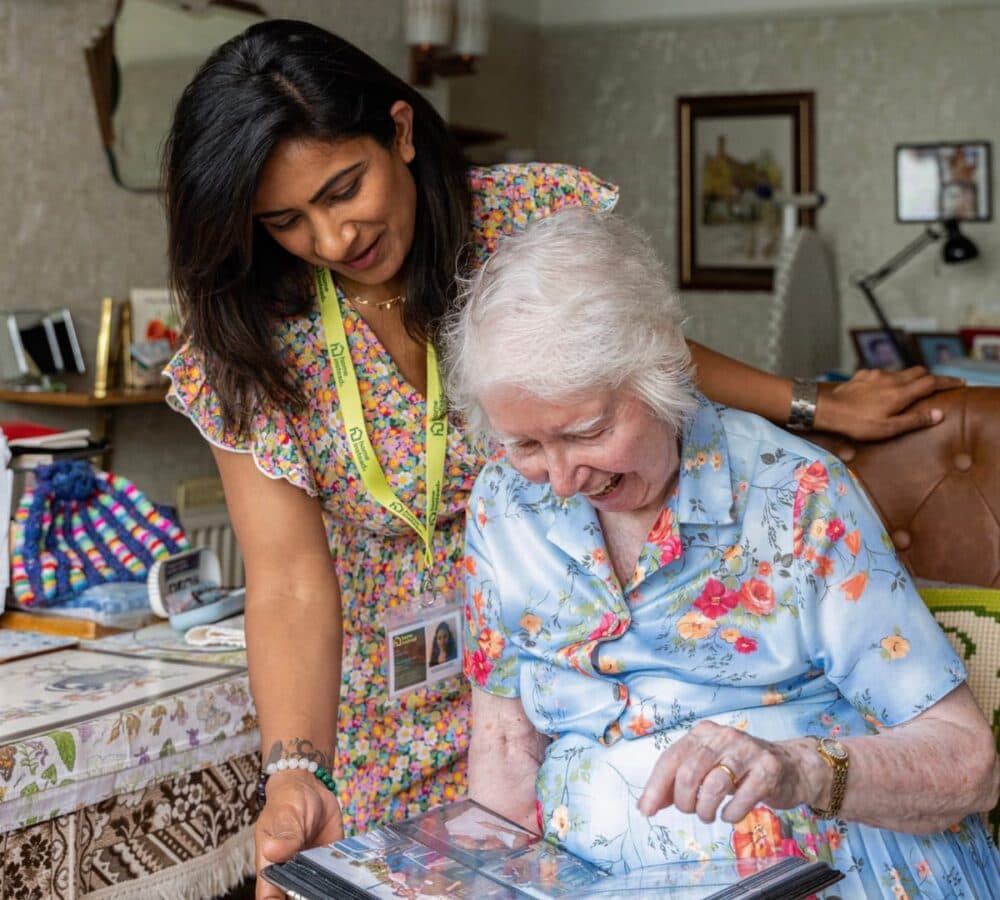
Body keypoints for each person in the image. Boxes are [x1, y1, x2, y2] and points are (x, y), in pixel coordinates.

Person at [161, 18, 965, 896]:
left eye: (344, 189)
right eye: (286, 221)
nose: (330, 238)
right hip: (403, 683)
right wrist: (296, 767)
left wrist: (811, 403)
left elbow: (627, 359)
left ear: (398, 131)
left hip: (578, 646)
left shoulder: (521, 217)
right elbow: (286, 580)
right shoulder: (254, 334)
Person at [443, 208, 1000, 895]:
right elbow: (503, 742)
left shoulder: (795, 495)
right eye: (526, 444)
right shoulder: (503, 501)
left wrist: (797, 768)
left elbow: (969, 764)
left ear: (658, 372)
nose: (560, 480)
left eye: (587, 432)